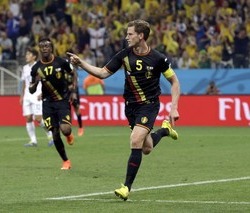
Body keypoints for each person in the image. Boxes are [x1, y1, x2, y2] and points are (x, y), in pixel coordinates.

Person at [67, 19, 180, 200]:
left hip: (149, 105)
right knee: (147, 148)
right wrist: (81, 64)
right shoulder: (124, 55)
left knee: (135, 140)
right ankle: (166, 130)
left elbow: (174, 82)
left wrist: (174, 108)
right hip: (131, 107)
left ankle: (126, 187)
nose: (126, 37)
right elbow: (103, 72)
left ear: (140, 36)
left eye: (130, 34)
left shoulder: (158, 59)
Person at [29, 37, 77, 170]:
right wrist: (36, 82)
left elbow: (73, 73)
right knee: (55, 133)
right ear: (39, 49)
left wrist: (73, 91)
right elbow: (31, 90)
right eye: (42, 46)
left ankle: (68, 135)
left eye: (47, 46)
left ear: (51, 48)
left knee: (65, 130)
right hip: (47, 103)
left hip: (62, 100)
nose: (44, 48)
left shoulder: (61, 62)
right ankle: (65, 161)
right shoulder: (36, 68)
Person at [20, 47, 54, 147]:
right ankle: (33, 141)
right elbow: (24, 83)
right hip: (27, 96)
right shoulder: (25, 68)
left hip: (37, 95)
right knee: (28, 118)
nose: (26, 56)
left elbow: (46, 81)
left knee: (39, 118)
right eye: (26, 54)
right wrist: (22, 96)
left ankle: (50, 135)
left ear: (34, 56)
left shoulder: (40, 66)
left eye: (28, 54)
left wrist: (44, 93)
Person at [65, 71, 84, 136]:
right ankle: (69, 130)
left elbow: (76, 82)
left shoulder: (73, 71)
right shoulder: (60, 70)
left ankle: (80, 127)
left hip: (74, 91)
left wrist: (73, 89)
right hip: (65, 92)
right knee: (67, 110)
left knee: (77, 109)